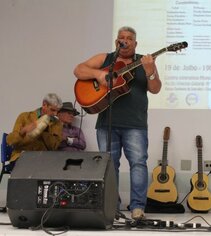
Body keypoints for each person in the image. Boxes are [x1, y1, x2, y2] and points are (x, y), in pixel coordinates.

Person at [73, 26, 162, 220]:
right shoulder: (105, 59)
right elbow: (78, 69)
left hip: (135, 123)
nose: (125, 40)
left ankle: (138, 207)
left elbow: (155, 89)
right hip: (107, 123)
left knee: (138, 164)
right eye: (121, 37)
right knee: (109, 165)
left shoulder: (144, 62)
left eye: (129, 38)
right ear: (117, 42)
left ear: (135, 43)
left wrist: (150, 71)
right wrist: (98, 75)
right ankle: (112, 206)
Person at [7, 93, 63, 169]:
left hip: (43, 158)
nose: (55, 114)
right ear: (44, 105)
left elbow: (54, 147)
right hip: (21, 156)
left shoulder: (57, 123)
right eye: (52, 110)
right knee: (28, 168)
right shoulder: (24, 116)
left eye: (57, 111)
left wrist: (44, 130)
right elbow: (11, 141)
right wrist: (23, 131)